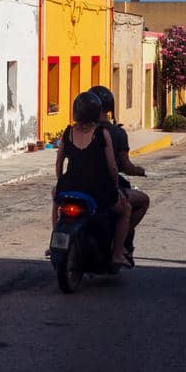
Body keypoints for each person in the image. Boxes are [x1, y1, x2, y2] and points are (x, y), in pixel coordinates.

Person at [52, 91, 131, 269]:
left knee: (56, 200)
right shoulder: (102, 133)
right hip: (96, 189)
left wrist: (61, 182)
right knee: (125, 208)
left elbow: (58, 163)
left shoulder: (68, 133)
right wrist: (115, 186)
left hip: (70, 185)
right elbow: (112, 166)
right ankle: (118, 253)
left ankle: (56, 239)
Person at [91, 85, 150, 265]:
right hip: (104, 187)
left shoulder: (78, 130)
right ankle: (119, 242)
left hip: (77, 184)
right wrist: (139, 171)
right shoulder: (114, 133)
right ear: (109, 108)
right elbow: (122, 166)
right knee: (141, 201)